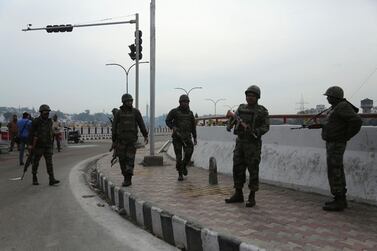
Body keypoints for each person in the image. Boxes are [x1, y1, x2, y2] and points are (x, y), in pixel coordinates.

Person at [308, 86, 362, 211]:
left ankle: (340, 200)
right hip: (333, 142)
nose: (327, 98)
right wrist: (321, 125)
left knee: (335, 170)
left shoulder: (342, 106)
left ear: (334, 96)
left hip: (337, 143)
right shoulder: (336, 107)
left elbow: (356, 121)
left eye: (329, 96)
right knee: (334, 169)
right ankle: (338, 198)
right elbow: (335, 123)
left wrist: (346, 136)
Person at [225, 85, 269, 207]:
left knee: (253, 170)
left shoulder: (262, 111)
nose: (250, 98)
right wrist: (229, 124)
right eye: (248, 95)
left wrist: (256, 131)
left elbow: (266, 126)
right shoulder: (241, 108)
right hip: (240, 143)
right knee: (237, 168)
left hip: (253, 145)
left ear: (257, 97)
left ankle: (252, 196)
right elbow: (234, 119)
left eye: (252, 96)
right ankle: (238, 194)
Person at [112, 94, 148, 187]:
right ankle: (125, 176)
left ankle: (128, 179)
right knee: (122, 160)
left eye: (131, 101)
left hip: (131, 142)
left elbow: (141, 124)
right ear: (124, 102)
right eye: (128, 101)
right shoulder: (118, 113)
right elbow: (114, 127)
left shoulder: (136, 112)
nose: (130, 102)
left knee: (130, 160)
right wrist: (114, 141)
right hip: (121, 142)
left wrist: (145, 135)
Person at [165, 94, 197, 181]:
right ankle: (180, 174)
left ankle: (183, 166)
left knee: (189, 153)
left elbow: (193, 126)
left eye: (186, 102)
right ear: (180, 102)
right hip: (177, 138)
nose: (185, 103)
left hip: (187, 138)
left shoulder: (190, 114)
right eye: (183, 102)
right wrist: (173, 127)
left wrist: (195, 137)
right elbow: (167, 121)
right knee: (178, 157)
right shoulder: (174, 112)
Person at [28, 104, 60, 186]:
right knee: (36, 162)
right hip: (38, 145)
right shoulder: (36, 121)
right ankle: (34, 177)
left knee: (49, 163)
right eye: (45, 112)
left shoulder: (50, 121)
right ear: (41, 112)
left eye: (48, 112)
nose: (47, 114)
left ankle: (51, 179)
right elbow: (31, 134)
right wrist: (30, 144)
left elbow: (50, 132)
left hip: (48, 145)